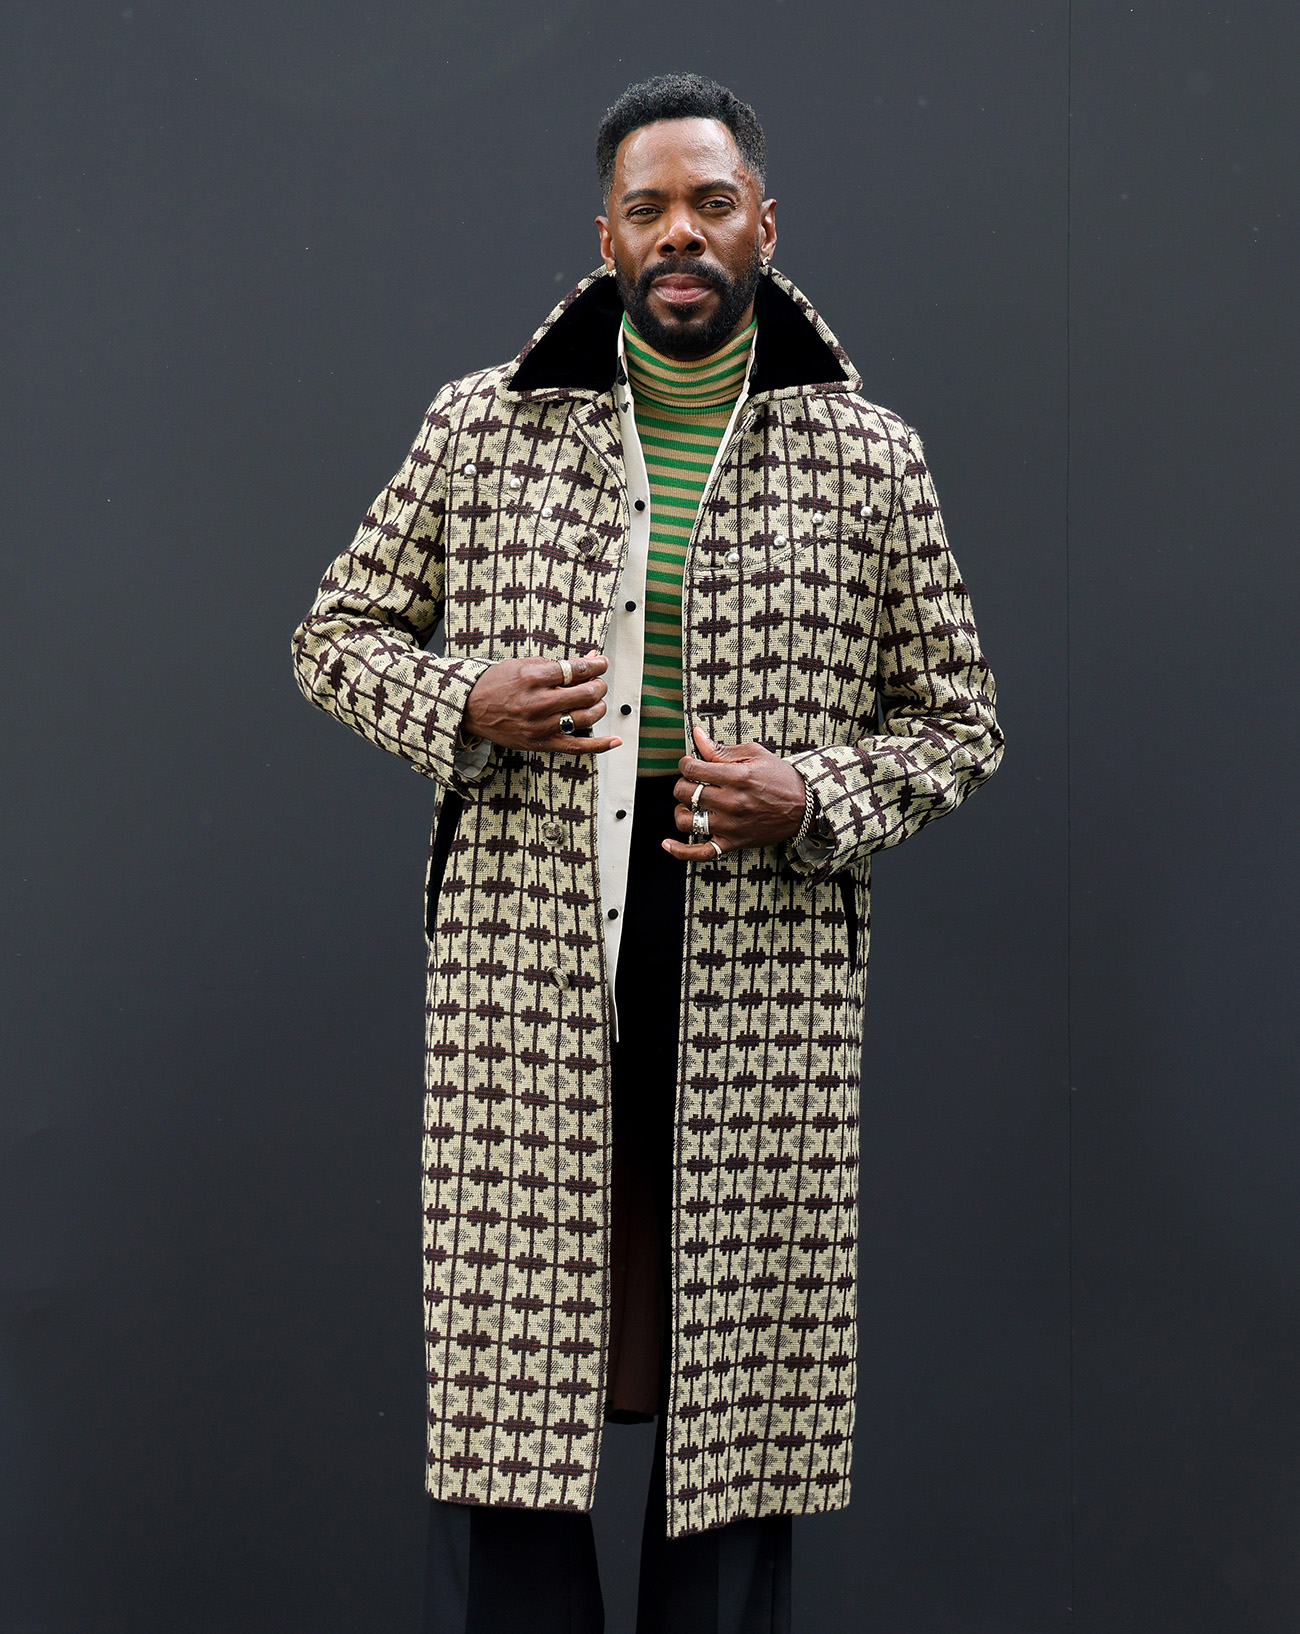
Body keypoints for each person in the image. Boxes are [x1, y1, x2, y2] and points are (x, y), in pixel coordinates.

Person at [292, 71, 1002, 1634]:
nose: (682, 233)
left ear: (765, 222)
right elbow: (332, 632)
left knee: (737, 1434)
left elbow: (962, 721)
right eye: (648, 208)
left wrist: (808, 792)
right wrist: (461, 698)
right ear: (605, 236)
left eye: (711, 202)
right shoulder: (486, 423)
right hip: (526, 988)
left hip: (759, 991)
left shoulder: (869, 455)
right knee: (511, 1434)